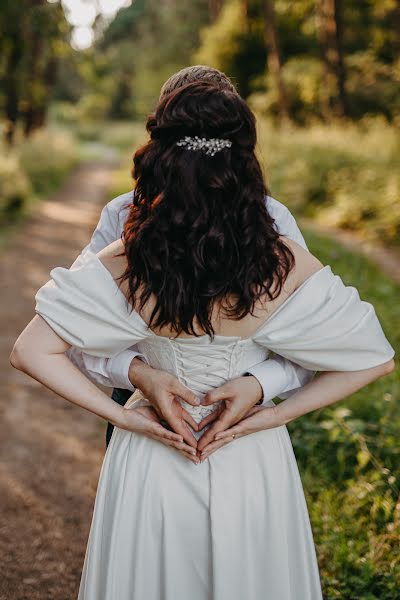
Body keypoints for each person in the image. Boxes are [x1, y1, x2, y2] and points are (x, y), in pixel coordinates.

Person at [11, 80, 395, 599]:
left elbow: (30, 350)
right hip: (247, 449)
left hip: (153, 448)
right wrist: (272, 415)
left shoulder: (127, 256)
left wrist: (126, 413)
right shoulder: (278, 252)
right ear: (243, 158)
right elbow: (373, 357)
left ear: (160, 152)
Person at [68, 66, 316, 451]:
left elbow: (310, 332)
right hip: (141, 407)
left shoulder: (273, 222)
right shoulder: (122, 217)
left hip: (245, 420)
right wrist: (136, 373)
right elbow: (75, 331)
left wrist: (261, 383)